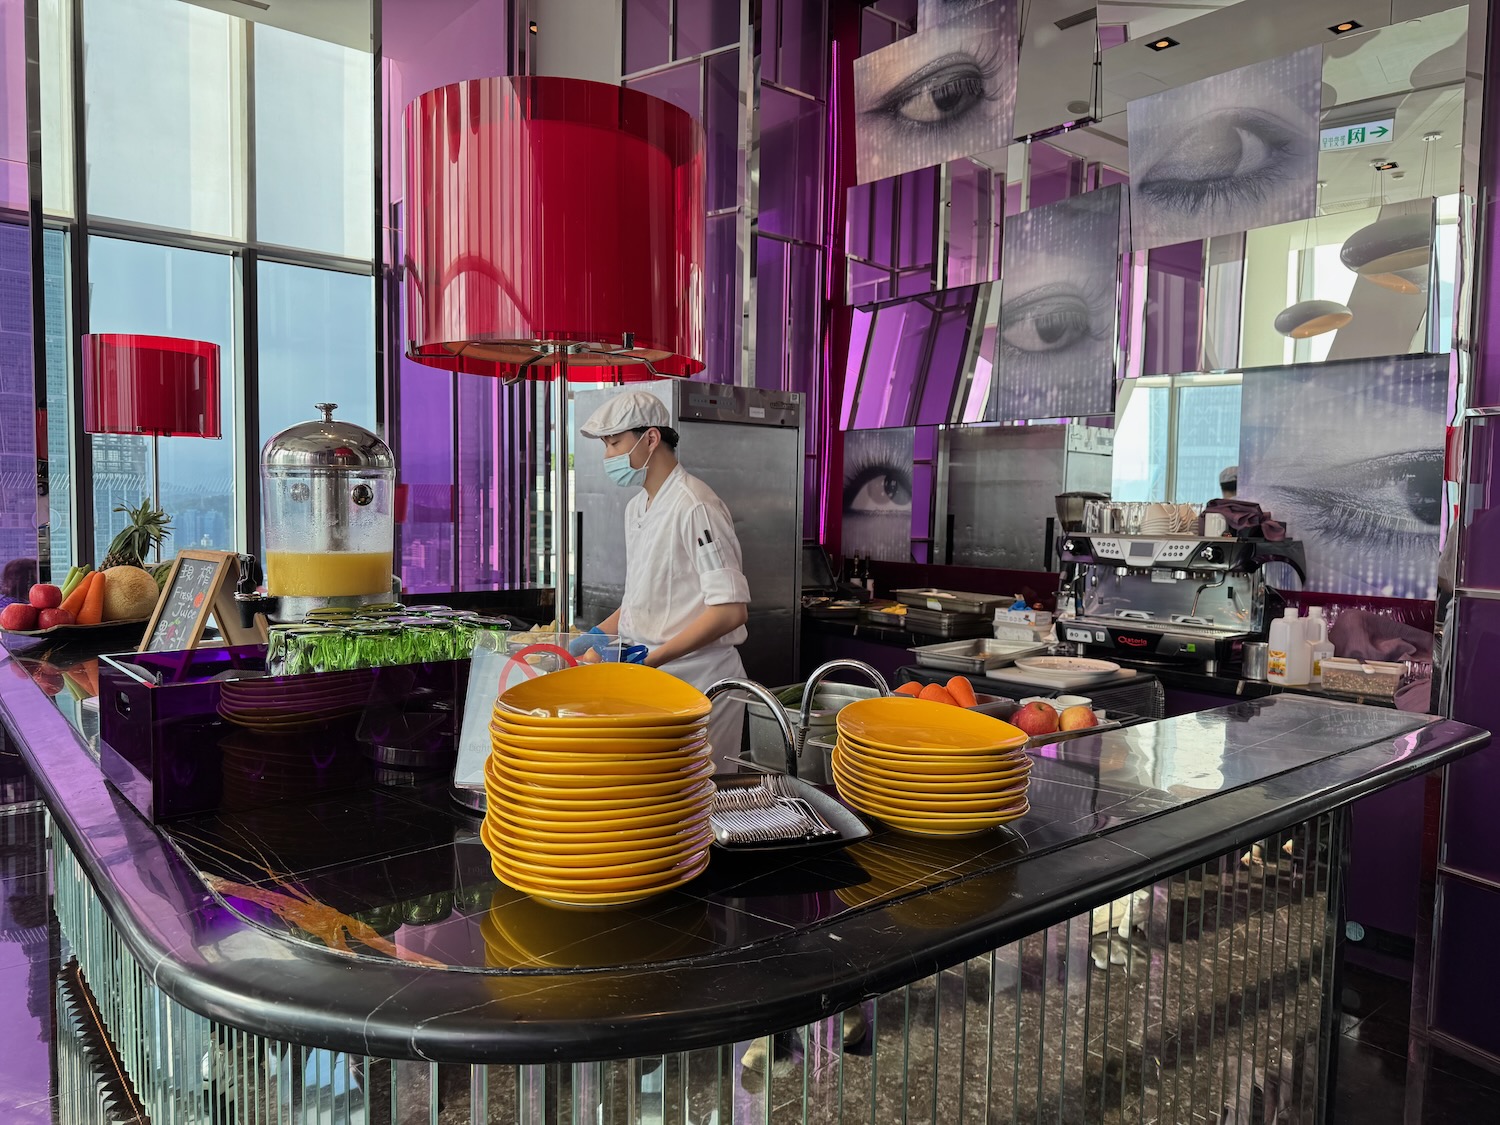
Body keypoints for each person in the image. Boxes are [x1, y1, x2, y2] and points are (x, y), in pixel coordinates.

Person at [572, 391, 750, 770]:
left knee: (695, 803)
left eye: (615, 443)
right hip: (651, 681)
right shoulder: (638, 507)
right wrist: (593, 637)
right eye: (606, 445)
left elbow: (731, 610)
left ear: (651, 439)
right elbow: (643, 599)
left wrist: (652, 658)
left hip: (700, 683)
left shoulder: (695, 506)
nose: (609, 457)